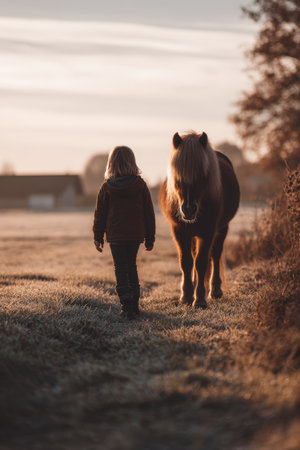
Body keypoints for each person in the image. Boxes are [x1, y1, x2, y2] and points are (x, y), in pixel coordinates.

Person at [93, 146, 156, 319]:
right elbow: (148, 213)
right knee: (132, 267)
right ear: (132, 162)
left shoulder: (107, 187)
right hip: (135, 236)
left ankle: (126, 305)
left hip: (116, 237)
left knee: (121, 269)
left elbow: (100, 214)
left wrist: (98, 237)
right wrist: (150, 238)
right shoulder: (140, 185)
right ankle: (134, 304)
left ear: (111, 163)